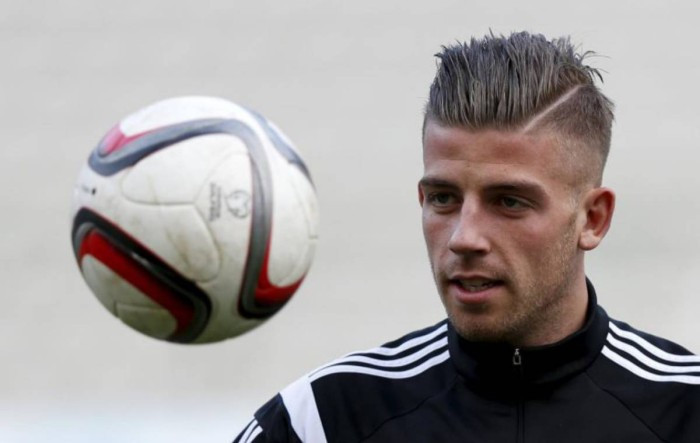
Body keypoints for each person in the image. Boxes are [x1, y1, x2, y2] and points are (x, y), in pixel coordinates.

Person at [233, 31, 700, 442]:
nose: (464, 237)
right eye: (443, 198)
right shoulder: (321, 421)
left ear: (593, 219)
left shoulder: (686, 412)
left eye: (509, 201)